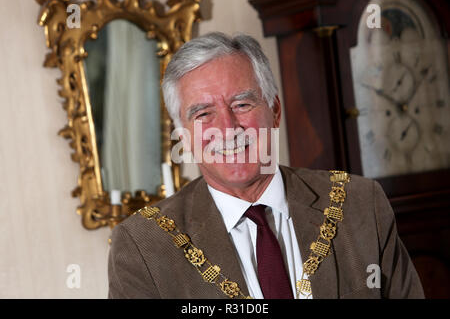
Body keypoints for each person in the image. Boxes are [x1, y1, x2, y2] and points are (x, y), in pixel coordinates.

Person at [107, 32, 424, 299]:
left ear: (274, 111)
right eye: (203, 114)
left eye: (242, 104)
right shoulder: (143, 247)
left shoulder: (360, 203)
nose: (228, 128)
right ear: (183, 136)